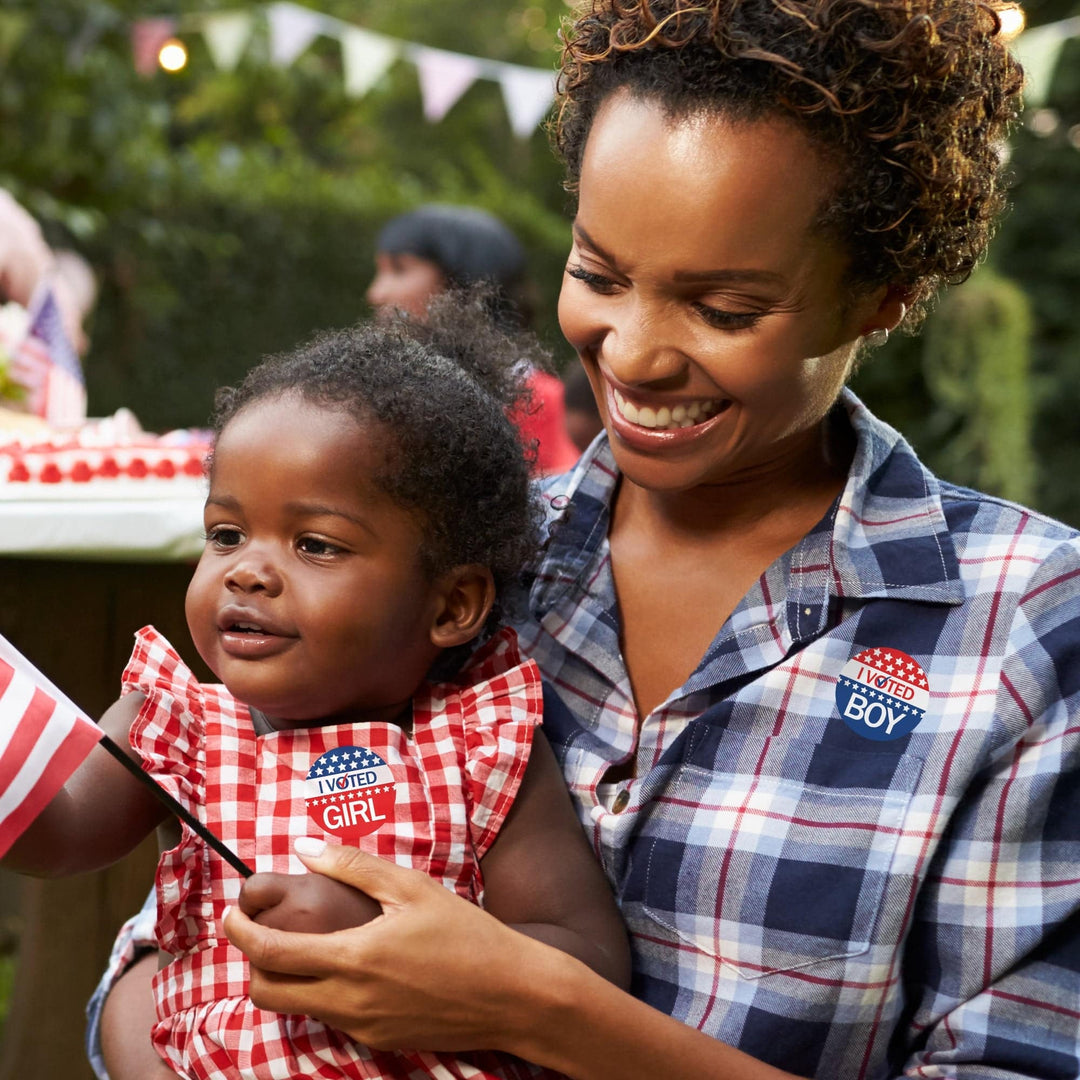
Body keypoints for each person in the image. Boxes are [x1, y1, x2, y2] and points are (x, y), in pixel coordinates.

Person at [100, 1, 1080, 1077]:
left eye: (724, 307)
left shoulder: (1022, 628)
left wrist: (540, 1006)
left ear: (878, 300)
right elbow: (178, 940)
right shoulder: (456, 564)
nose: (637, 354)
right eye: (600, 275)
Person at [7, 290, 628, 1080]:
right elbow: (58, 834)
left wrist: (382, 929)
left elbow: (586, 962)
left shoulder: (480, 744)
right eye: (225, 533)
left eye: (316, 545)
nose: (249, 571)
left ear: (452, 604)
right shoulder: (179, 726)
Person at [367, 204, 582, 477]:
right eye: (380, 271)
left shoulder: (538, 398)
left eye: (399, 270)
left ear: (462, 282)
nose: (376, 293)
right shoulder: (384, 389)